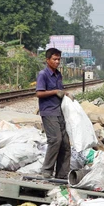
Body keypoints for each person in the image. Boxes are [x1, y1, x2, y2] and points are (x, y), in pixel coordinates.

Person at [36, 48, 71, 180]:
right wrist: (55, 91)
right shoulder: (43, 74)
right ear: (47, 60)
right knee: (55, 140)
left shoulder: (58, 75)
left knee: (66, 144)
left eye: (58, 59)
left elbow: (60, 91)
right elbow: (39, 93)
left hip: (59, 111)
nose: (57, 62)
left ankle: (62, 174)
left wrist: (65, 94)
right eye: (54, 59)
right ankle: (47, 171)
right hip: (49, 111)